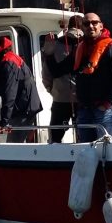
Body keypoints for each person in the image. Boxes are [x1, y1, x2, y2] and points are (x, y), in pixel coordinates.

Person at [44, 12, 112, 142]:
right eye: (86, 23)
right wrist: (48, 54)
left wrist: (106, 104)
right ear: (82, 28)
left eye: (94, 23)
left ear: (101, 26)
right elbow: (57, 71)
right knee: (84, 147)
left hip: (103, 110)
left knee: (105, 147)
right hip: (84, 110)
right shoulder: (80, 49)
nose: (91, 26)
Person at [0, 30, 42, 143]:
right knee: (14, 145)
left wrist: (3, 122)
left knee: (13, 146)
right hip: (20, 109)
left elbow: (9, 94)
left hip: (24, 110)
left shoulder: (7, 63)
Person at [41, 15, 84, 143]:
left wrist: (52, 90)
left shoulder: (54, 45)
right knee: (84, 133)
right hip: (83, 99)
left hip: (60, 98)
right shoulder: (87, 44)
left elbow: (46, 74)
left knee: (55, 136)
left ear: (69, 26)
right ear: (81, 27)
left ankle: (56, 158)